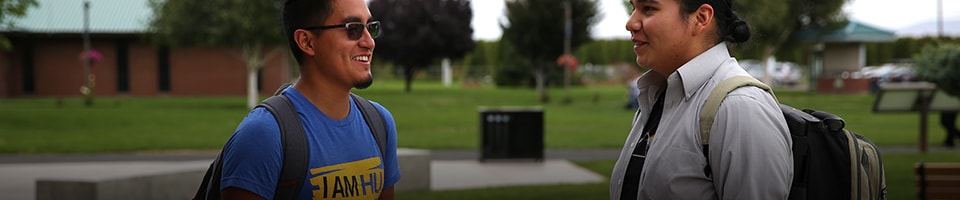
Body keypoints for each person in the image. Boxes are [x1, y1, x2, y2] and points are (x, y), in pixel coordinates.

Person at [610, 0, 793, 199]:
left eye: (649, 9)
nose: (631, 23)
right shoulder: (657, 96)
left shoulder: (740, 107)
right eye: (633, 8)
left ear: (701, 18)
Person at [218, 0, 400, 199]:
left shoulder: (380, 123)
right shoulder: (262, 135)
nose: (369, 42)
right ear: (307, 42)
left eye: (370, 28)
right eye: (353, 29)